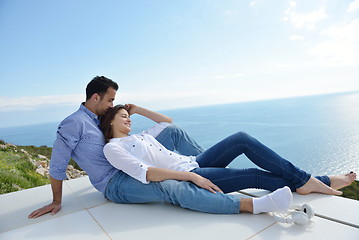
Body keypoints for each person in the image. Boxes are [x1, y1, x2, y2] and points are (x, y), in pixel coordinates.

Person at [28, 76, 294, 218]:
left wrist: (135, 111)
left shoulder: (102, 117)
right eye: (110, 100)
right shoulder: (73, 124)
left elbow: (161, 126)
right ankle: (249, 205)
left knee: (173, 131)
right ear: (95, 97)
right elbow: (58, 163)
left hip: (127, 155)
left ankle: (203, 168)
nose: (113, 105)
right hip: (116, 180)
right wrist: (56, 200)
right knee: (171, 187)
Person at [100, 104, 357, 201]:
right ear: (110, 122)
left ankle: (304, 180)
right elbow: (145, 173)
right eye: (123, 117)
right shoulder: (113, 148)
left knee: (241, 139)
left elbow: (167, 122)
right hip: (192, 174)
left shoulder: (140, 136)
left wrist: (138, 109)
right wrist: (192, 177)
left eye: (127, 117)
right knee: (253, 175)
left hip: (194, 162)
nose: (128, 120)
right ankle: (316, 181)